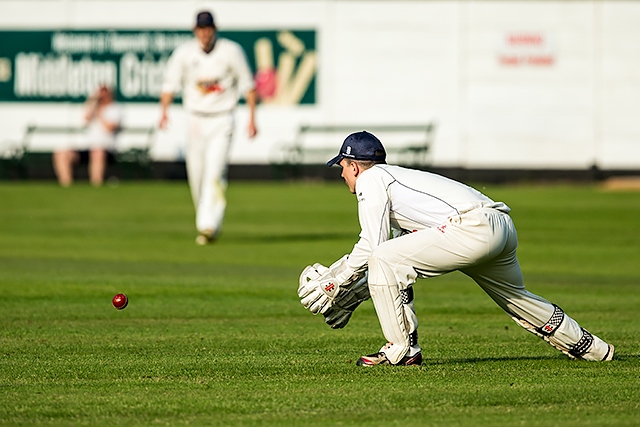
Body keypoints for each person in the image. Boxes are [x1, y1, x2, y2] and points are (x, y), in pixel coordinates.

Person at [299, 130, 614, 366]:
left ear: (354, 165)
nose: (341, 174)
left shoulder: (371, 180)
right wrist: (354, 282)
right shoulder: (396, 177)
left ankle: (401, 349)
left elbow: (373, 245)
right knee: (518, 300)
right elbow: (396, 252)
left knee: (383, 257)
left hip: (472, 228)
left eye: (341, 166)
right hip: (499, 225)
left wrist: (335, 281)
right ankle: (594, 348)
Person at [159, 10, 258, 245]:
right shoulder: (184, 53)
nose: (205, 34)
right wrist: (163, 111)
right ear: (195, 31)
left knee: (215, 170)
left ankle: (208, 225)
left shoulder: (230, 52)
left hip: (222, 118)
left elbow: (248, 85)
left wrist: (252, 118)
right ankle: (205, 220)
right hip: (195, 118)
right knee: (197, 174)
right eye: (201, 29)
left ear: (214, 29)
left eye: (208, 29)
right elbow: (169, 84)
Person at [53, 85, 121, 187]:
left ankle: (96, 185)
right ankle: (67, 186)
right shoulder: (93, 107)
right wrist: (93, 103)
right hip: (88, 147)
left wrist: (99, 113)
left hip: (106, 149)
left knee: (97, 152)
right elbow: (85, 119)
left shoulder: (115, 109)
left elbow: (110, 128)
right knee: (61, 154)